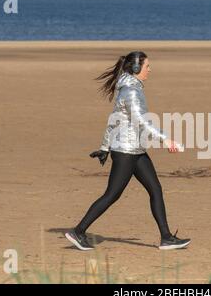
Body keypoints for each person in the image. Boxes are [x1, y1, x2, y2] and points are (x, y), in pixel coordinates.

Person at [65, 51, 191, 251]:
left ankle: (166, 237)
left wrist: (105, 147)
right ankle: (78, 231)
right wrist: (165, 139)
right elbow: (142, 122)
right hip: (126, 152)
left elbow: (114, 119)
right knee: (112, 194)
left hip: (136, 150)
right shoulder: (131, 92)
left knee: (155, 189)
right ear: (135, 68)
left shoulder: (129, 88)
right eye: (147, 66)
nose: (150, 69)